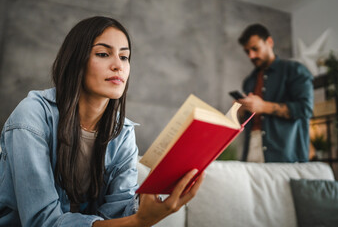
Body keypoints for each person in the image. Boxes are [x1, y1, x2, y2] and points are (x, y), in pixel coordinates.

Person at [0, 16, 204, 227]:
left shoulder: (123, 131)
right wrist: (140, 221)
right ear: (76, 60)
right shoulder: (32, 115)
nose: (118, 65)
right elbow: (41, 221)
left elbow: (115, 213)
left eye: (125, 57)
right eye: (103, 54)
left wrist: (145, 202)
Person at [236, 23, 313, 163]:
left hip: (286, 155)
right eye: (247, 52)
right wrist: (241, 111)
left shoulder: (295, 70)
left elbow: (305, 109)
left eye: (255, 49)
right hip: (250, 151)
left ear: (269, 42)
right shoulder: (249, 81)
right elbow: (246, 123)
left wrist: (263, 107)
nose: (251, 56)